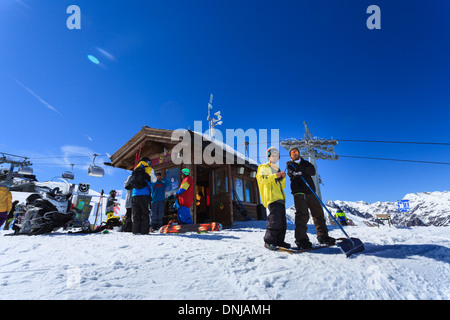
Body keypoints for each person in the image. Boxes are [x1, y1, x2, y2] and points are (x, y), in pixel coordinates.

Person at [286, 147, 335, 249]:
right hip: (299, 193)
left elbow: (312, 171)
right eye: (292, 153)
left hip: (310, 191)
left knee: (318, 213)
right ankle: (301, 239)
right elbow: (292, 174)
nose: (294, 154)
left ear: (298, 153)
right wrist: (299, 172)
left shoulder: (305, 163)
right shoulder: (289, 164)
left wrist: (301, 171)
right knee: (302, 215)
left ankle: (323, 236)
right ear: (290, 155)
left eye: (296, 152)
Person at [256, 147, 290, 250]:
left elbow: (282, 186)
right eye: (273, 155)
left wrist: (282, 178)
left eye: (276, 156)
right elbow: (261, 180)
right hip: (271, 197)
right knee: (274, 220)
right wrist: (274, 176)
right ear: (269, 157)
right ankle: (269, 241)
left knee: (282, 222)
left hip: (280, 198)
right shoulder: (263, 167)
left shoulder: (278, 169)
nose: (275, 157)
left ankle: (279, 241)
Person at [132, 157, 157, 234]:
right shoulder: (149, 169)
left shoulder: (135, 169)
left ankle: (135, 231)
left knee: (136, 213)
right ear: (147, 162)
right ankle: (144, 231)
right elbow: (154, 180)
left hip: (134, 194)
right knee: (145, 213)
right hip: (145, 194)